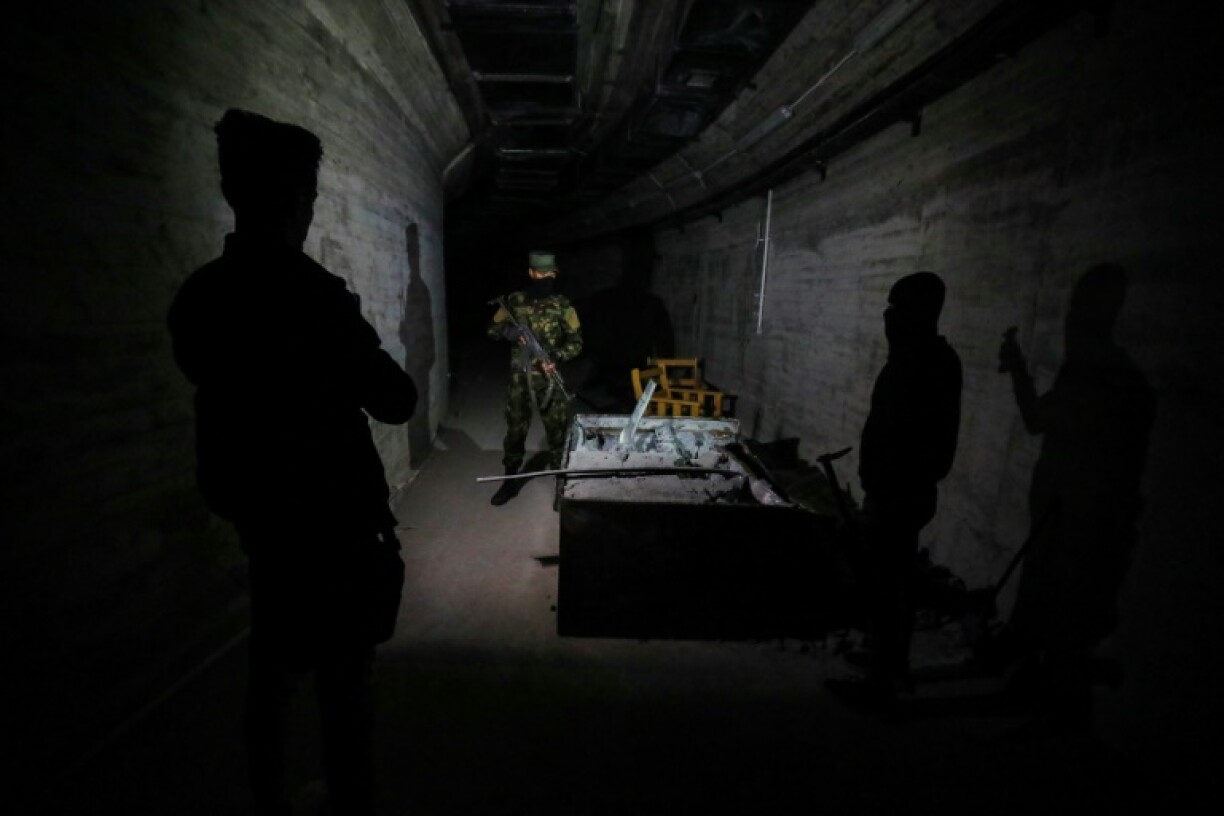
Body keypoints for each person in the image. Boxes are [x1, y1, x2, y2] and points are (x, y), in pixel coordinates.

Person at [167, 109, 417, 815]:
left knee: (271, 672)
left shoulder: (203, 295)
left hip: (262, 516)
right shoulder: (313, 295)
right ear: (297, 199)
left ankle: (268, 799)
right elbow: (395, 400)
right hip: (335, 515)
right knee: (345, 679)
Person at [996, 264, 1154, 731]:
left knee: (1067, 625)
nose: (1070, 320)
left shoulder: (1103, 378)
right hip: (1072, 522)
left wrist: (1020, 370)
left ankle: (1060, 717)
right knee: (1062, 621)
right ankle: (1051, 698)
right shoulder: (1107, 376)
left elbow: (1040, 420)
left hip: (1080, 526)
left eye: (1079, 309)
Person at [828, 271, 962, 710]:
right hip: (902, 490)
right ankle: (890, 663)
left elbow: (911, 437)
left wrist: (887, 481)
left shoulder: (919, 365)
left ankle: (878, 683)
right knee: (894, 581)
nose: (888, 320)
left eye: (896, 310)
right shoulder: (923, 360)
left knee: (883, 584)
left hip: (897, 492)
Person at [486, 251, 583, 506]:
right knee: (515, 431)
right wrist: (509, 332)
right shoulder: (513, 301)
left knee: (558, 434)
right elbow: (492, 329)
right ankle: (509, 482)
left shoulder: (563, 304)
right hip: (520, 379)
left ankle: (561, 485)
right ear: (531, 273)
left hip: (550, 379)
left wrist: (557, 355)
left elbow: (576, 343)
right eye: (541, 274)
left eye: (550, 274)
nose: (545, 278)